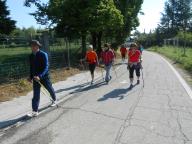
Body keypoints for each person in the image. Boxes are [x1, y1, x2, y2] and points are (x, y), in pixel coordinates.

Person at [28, 40, 57, 117]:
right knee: (36, 94)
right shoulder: (31, 56)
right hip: (35, 78)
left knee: (49, 89)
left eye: (34, 46)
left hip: (44, 77)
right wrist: (30, 77)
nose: (32, 47)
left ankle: (54, 100)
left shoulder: (43, 54)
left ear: (38, 46)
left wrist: (40, 76)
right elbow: (31, 67)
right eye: (31, 46)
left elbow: (46, 67)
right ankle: (35, 111)